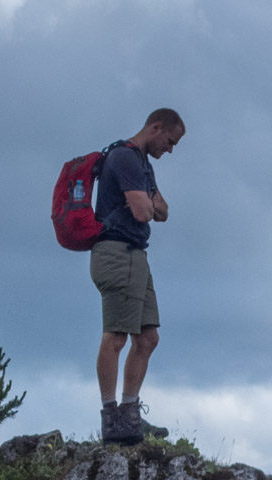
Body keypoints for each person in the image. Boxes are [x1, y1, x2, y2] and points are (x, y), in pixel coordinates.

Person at [92, 107, 185, 443]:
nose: (170, 150)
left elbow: (164, 212)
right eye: (170, 142)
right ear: (156, 127)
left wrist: (150, 202)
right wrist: (149, 201)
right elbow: (146, 210)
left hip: (136, 256)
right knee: (116, 337)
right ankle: (111, 418)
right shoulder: (126, 159)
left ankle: (130, 415)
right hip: (116, 253)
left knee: (147, 338)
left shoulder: (143, 164)